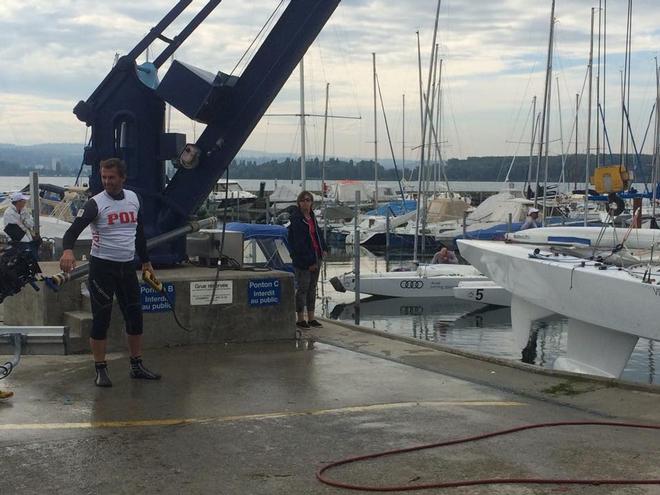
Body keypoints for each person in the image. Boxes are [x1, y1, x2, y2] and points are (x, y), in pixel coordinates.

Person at [59, 158, 160, 388]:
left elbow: (140, 233)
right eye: (104, 177)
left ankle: (136, 365)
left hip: (127, 267)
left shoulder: (134, 199)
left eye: (111, 177)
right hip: (102, 268)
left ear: (123, 178)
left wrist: (146, 261)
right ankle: (100, 369)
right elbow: (71, 232)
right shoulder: (95, 203)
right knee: (101, 320)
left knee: (135, 318)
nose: (107, 182)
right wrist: (67, 251)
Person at [287, 191, 327, 329]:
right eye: (303, 200)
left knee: (312, 288)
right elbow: (299, 243)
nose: (306, 202)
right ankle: (300, 318)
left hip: (316, 255)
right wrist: (309, 262)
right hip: (303, 259)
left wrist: (324, 248)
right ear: (299, 202)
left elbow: (318, 234)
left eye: (308, 200)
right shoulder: (297, 219)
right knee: (303, 288)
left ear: (312, 202)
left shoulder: (312, 217)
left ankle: (311, 318)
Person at [3, 191, 40, 260]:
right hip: (16, 238)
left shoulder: (24, 209)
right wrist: (24, 222)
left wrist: (24, 222)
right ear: (18, 202)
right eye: (23, 200)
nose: (25, 202)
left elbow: (30, 223)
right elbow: (15, 228)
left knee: (36, 245)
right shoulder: (9, 213)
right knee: (29, 251)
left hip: (27, 236)